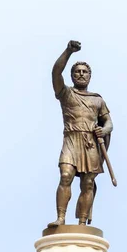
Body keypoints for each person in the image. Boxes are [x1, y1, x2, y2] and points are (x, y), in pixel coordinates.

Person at [48, 40, 113, 227]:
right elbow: (55, 72)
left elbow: (109, 123)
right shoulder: (66, 93)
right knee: (66, 175)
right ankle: (61, 218)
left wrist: (104, 129)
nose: (81, 74)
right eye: (77, 72)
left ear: (90, 76)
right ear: (72, 75)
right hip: (71, 139)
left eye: (85, 72)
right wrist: (68, 52)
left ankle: (82, 223)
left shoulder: (97, 100)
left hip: (90, 143)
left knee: (88, 183)